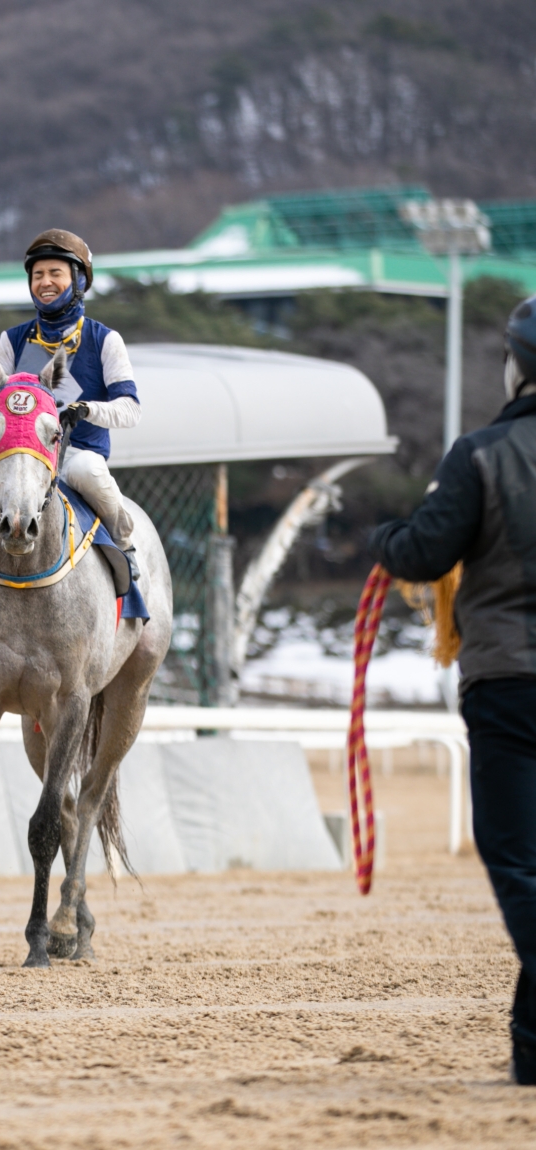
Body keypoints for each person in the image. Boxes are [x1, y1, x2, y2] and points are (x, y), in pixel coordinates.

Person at [369, 292, 536, 1085]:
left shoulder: (481, 453)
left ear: (516, 365)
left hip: (509, 682)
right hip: (506, 676)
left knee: (518, 865)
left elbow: (422, 554)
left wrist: (382, 537)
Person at [0, 228, 141, 579]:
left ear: (78, 280)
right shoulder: (11, 339)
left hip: (77, 454)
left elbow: (131, 409)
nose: (45, 282)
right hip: (18, 453)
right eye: (38, 275)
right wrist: (16, 412)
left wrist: (87, 410)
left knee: (89, 472)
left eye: (55, 273)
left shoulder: (106, 340)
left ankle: (126, 545)